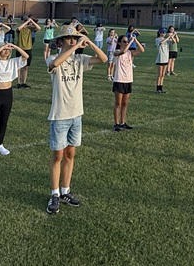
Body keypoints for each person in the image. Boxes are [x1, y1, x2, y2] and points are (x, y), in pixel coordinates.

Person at [45, 25, 107, 214]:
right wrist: (75, 46)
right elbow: (54, 64)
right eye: (69, 38)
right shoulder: (53, 57)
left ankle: (66, 190)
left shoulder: (81, 59)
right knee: (58, 156)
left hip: (76, 114)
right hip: (60, 114)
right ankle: (54, 194)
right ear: (61, 41)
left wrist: (90, 45)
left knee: (70, 154)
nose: (73, 41)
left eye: (75, 38)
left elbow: (104, 59)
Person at [0, 42, 29, 158]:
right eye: (4, 50)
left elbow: (26, 56)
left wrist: (15, 47)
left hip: (7, 94)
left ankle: (0, 144)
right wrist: (2, 47)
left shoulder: (13, 62)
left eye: (8, 50)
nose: (6, 51)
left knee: (4, 121)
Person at [112, 34, 147, 131]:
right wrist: (130, 42)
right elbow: (122, 51)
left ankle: (123, 122)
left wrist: (135, 40)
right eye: (124, 41)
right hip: (119, 80)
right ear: (119, 43)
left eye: (127, 41)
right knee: (118, 103)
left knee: (125, 103)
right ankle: (116, 123)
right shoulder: (116, 52)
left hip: (128, 80)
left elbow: (142, 50)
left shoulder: (130, 53)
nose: (126, 43)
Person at [14, 16, 42, 88]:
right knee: (18, 67)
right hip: (20, 48)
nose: (26, 22)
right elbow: (18, 29)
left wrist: (32, 21)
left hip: (28, 48)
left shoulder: (30, 28)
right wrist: (26, 22)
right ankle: (18, 83)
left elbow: (39, 28)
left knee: (26, 67)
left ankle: (24, 82)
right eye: (25, 20)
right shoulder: (20, 27)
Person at [155, 28, 174, 94]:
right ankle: (157, 88)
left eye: (164, 32)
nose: (163, 34)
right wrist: (168, 37)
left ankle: (161, 87)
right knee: (159, 74)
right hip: (160, 59)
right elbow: (162, 42)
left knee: (163, 74)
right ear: (159, 33)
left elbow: (174, 42)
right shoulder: (157, 39)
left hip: (166, 58)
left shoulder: (167, 39)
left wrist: (173, 36)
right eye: (162, 32)